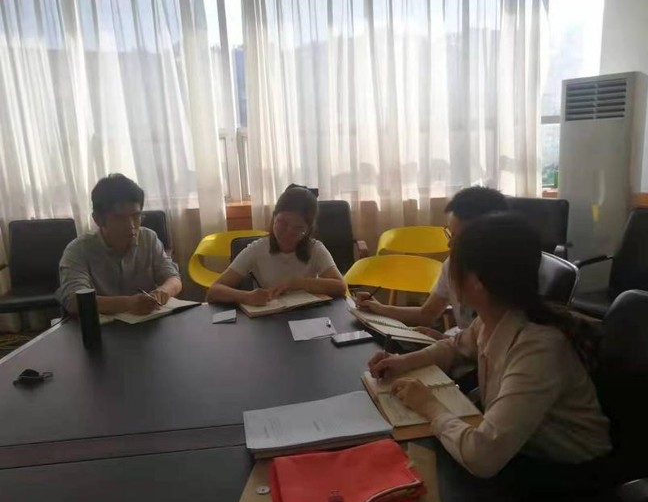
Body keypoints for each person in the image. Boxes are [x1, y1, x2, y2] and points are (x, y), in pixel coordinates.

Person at [367, 213, 611, 480]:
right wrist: (403, 362)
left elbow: (482, 457)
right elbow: (454, 347)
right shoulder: (495, 317)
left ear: (477, 283)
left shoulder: (539, 349)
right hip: (520, 448)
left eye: (454, 263)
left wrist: (429, 405)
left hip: (571, 474)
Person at [355, 187, 508, 339]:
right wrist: (379, 308)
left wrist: (443, 341)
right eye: (450, 234)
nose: (450, 244)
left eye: (460, 238)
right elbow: (427, 314)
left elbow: (494, 346)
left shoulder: (508, 277)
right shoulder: (453, 264)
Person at [57, 174, 182, 316]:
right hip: (102, 325)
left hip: (146, 322)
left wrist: (163, 292)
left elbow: (174, 279)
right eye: (120, 218)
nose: (131, 226)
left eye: (136, 216)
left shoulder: (149, 238)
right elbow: (73, 300)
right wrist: (128, 303)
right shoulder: (78, 249)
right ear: (98, 220)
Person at [207, 186, 347, 305]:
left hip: (308, 316)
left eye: (298, 228)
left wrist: (295, 283)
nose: (288, 232)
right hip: (272, 316)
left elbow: (340, 287)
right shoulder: (257, 249)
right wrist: (246, 296)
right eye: (283, 223)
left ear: (308, 230)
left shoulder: (315, 249)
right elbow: (214, 291)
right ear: (274, 217)